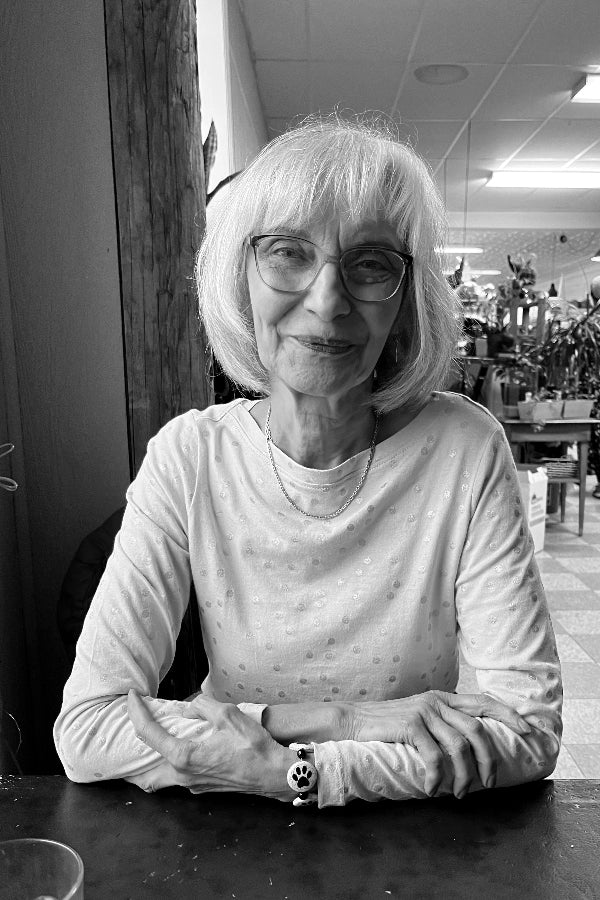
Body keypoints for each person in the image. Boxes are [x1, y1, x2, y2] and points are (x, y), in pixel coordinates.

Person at [54, 117, 562, 807]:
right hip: (227, 827)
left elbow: (527, 732)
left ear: (406, 303)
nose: (327, 301)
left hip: (398, 841)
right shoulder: (189, 456)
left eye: (371, 263)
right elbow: (87, 729)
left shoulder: (464, 449)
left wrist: (294, 772)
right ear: (243, 278)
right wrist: (339, 723)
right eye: (290, 253)